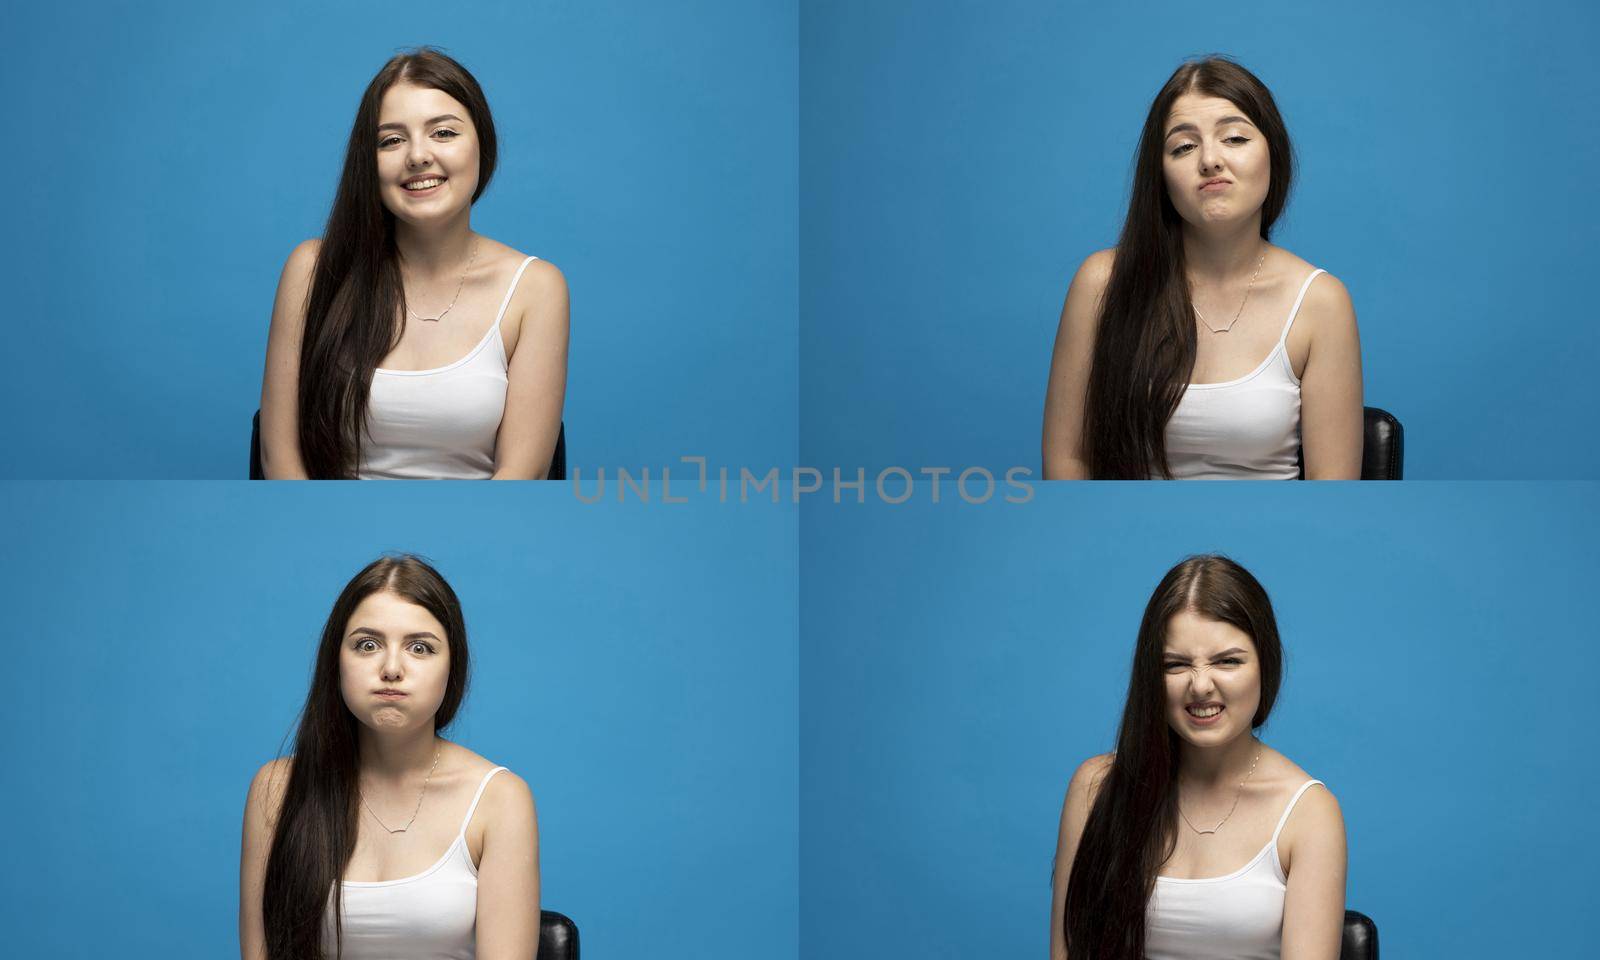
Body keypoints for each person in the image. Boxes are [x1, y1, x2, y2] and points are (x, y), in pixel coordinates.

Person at [1042, 56, 1363, 479]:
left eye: (1234, 138)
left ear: (1273, 153)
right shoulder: (1102, 283)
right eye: (1184, 146)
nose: (1210, 160)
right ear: (1159, 175)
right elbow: (1069, 460)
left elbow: (1333, 487)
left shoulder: (1321, 302)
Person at [260, 47, 568, 479]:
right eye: (391, 140)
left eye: (443, 133)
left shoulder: (536, 288)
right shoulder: (313, 269)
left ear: (482, 143)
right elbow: (280, 463)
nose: (418, 156)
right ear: (369, 161)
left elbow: (522, 476)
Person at [238, 555, 540, 959]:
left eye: (420, 648)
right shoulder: (277, 789)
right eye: (368, 644)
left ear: (453, 666)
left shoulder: (499, 798)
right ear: (336, 662)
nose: (392, 668)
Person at [1049, 555, 1346, 959]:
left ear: (1265, 664)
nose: (1201, 685)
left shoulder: (1309, 812)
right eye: (1176, 665)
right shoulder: (1097, 787)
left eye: (1228, 661)